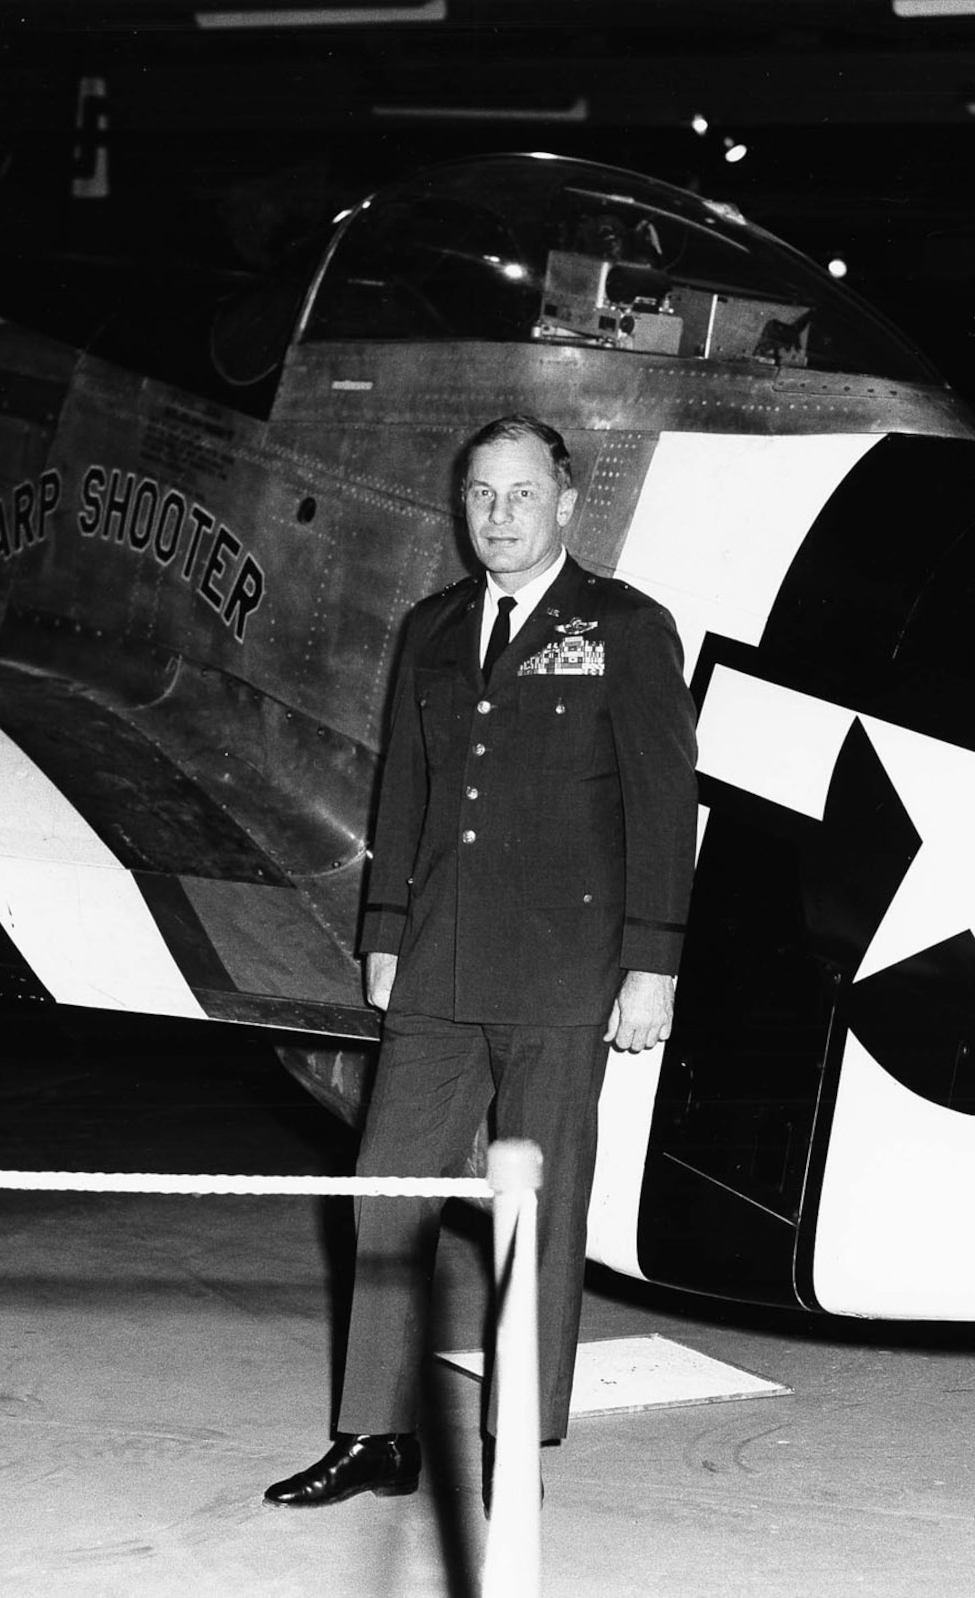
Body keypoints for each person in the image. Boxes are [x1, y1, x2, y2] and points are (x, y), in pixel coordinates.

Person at [264, 413, 698, 1509]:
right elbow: (402, 790)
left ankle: (516, 1449)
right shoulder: (433, 624)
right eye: (478, 496)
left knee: (537, 1216)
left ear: (563, 502)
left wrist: (653, 964)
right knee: (383, 1192)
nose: (496, 515)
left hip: (564, 968)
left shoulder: (627, 626)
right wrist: (381, 933)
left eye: (518, 494)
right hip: (437, 962)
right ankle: (374, 1430)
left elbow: (661, 806)